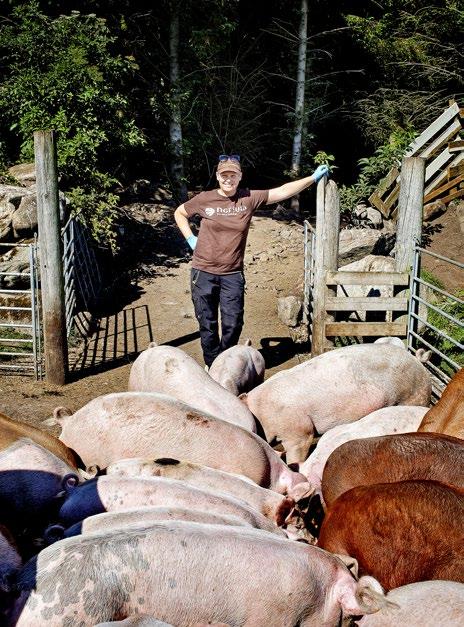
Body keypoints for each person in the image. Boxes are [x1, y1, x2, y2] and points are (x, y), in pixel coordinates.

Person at [174, 155, 329, 368]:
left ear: (239, 176)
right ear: (218, 176)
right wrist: (191, 238)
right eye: (224, 175)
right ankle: (212, 364)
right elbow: (180, 213)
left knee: (233, 322)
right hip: (203, 272)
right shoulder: (204, 199)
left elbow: (281, 191)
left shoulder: (248, 198)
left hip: (232, 274)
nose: (228, 179)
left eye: (233, 174)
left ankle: (224, 361)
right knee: (207, 323)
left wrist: (311, 178)